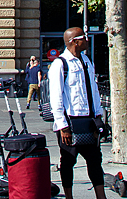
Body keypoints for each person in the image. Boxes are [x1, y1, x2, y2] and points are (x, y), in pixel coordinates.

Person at [48, 27, 106, 199]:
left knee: (95, 160)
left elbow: (93, 91)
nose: (87, 40)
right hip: (70, 122)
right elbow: (56, 96)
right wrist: (63, 126)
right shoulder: (60, 64)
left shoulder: (87, 61)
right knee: (68, 161)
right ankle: (69, 196)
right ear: (74, 41)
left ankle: (101, 196)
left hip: (89, 120)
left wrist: (98, 117)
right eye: (84, 37)